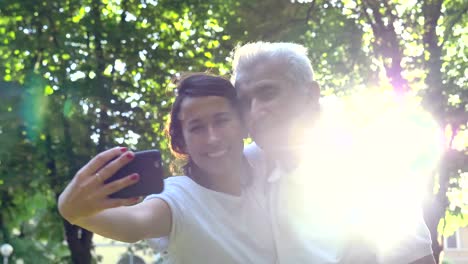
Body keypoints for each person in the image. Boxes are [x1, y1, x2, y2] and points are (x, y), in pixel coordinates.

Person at [231, 42, 436, 264]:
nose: (255, 111)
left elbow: (417, 259)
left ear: (310, 94)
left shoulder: (373, 168)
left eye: (267, 93)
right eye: (244, 102)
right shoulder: (246, 164)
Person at [58, 73, 276, 264]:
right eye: (197, 128)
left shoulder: (265, 161)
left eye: (221, 121)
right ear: (181, 142)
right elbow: (136, 223)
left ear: (243, 125)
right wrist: (72, 210)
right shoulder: (179, 197)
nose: (212, 138)